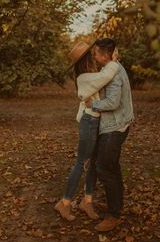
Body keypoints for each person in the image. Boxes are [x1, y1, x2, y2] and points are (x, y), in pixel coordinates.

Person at [55, 41, 120, 221]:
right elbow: (107, 76)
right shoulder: (84, 77)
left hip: (96, 121)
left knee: (92, 163)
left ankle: (87, 201)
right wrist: (114, 61)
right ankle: (64, 203)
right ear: (84, 60)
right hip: (90, 122)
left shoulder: (91, 75)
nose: (94, 56)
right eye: (90, 54)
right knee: (81, 162)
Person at [85, 38, 134, 232]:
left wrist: (93, 104)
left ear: (105, 55)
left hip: (115, 127)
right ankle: (116, 205)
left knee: (105, 167)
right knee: (111, 166)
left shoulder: (113, 72)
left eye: (96, 53)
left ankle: (114, 215)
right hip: (114, 124)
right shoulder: (111, 68)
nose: (94, 56)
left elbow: (112, 103)